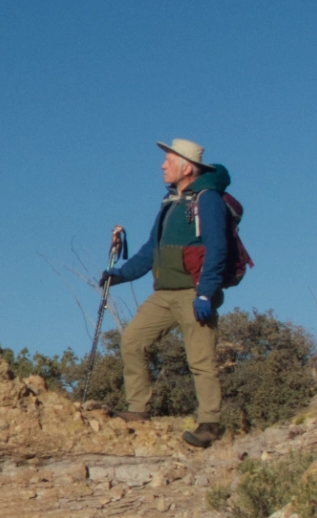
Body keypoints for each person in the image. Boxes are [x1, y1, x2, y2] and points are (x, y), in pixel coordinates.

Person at [99, 138, 232, 448]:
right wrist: (120, 275)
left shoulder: (208, 199)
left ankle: (210, 424)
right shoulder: (170, 203)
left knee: (201, 359)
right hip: (164, 294)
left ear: (186, 167)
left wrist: (206, 293)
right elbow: (152, 250)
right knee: (133, 340)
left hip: (194, 293)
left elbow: (217, 249)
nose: (162, 165)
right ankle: (138, 411)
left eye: (168, 160)